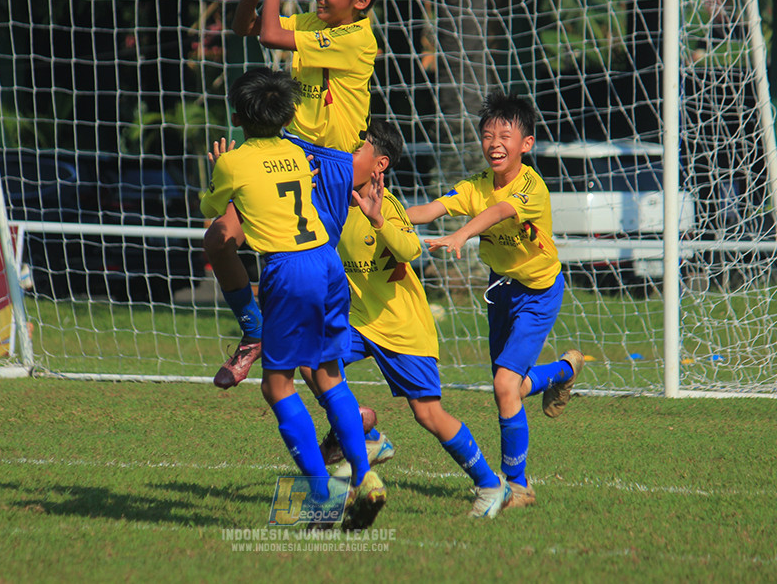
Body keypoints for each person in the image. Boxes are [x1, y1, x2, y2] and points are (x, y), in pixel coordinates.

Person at [207, 0, 397, 389]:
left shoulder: (355, 37)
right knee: (218, 238)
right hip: (288, 151)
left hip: (329, 167)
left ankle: (353, 426)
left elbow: (272, 33)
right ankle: (253, 331)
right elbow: (247, 29)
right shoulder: (316, 21)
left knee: (299, 299)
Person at [200, 67, 386, 530]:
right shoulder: (298, 153)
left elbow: (215, 216)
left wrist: (217, 175)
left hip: (289, 270)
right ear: (287, 114)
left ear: (238, 116)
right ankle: (366, 478)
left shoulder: (234, 161)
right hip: (327, 263)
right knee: (328, 375)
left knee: (276, 385)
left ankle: (324, 497)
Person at [308, 120, 514, 517]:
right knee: (312, 361)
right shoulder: (332, 199)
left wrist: (378, 220)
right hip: (356, 320)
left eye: (356, 148)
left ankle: (491, 485)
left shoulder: (387, 205)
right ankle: (363, 434)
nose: (344, 154)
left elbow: (409, 250)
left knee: (428, 414)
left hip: (403, 328)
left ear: (378, 164)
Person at [405, 90, 585, 510]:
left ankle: (518, 486)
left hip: (539, 293)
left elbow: (501, 211)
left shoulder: (530, 187)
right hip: (501, 291)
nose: (494, 142)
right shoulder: (476, 185)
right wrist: (379, 211)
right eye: (487, 134)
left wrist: (463, 234)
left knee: (505, 385)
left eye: (505, 133)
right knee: (509, 387)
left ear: (526, 143)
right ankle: (562, 371)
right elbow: (433, 209)